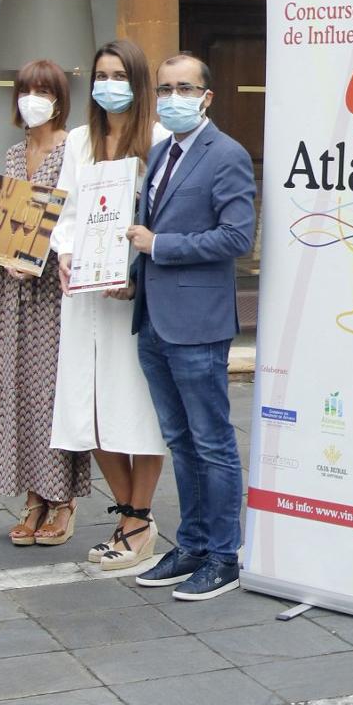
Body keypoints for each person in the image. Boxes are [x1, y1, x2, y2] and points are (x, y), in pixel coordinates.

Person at [127, 53, 257, 601]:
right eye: (164, 88)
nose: (172, 97)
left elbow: (236, 237)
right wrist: (132, 273)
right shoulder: (159, 152)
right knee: (180, 440)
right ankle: (193, 543)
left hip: (198, 322)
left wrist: (161, 247)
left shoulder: (225, 155)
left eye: (185, 88)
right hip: (154, 317)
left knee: (212, 441)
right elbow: (144, 229)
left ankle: (224, 555)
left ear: (207, 96)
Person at [50, 39, 169, 572]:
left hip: (133, 297)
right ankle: (128, 512)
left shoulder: (161, 140)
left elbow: (166, 219)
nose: (108, 84)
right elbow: (64, 211)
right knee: (88, 408)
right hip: (83, 296)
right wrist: (65, 252)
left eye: (119, 74)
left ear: (138, 82)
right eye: (101, 74)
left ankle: (138, 519)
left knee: (136, 407)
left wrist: (136, 273)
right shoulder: (79, 140)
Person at [0, 60, 88, 545]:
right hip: (13, 291)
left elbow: (72, 216)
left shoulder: (73, 145)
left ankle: (62, 500)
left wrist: (39, 253)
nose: (32, 98)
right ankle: (32, 498)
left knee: (51, 393)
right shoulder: (15, 151)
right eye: (25, 90)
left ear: (59, 97)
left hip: (53, 289)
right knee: (16, 390)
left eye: (42, 90)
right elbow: (8, 218)